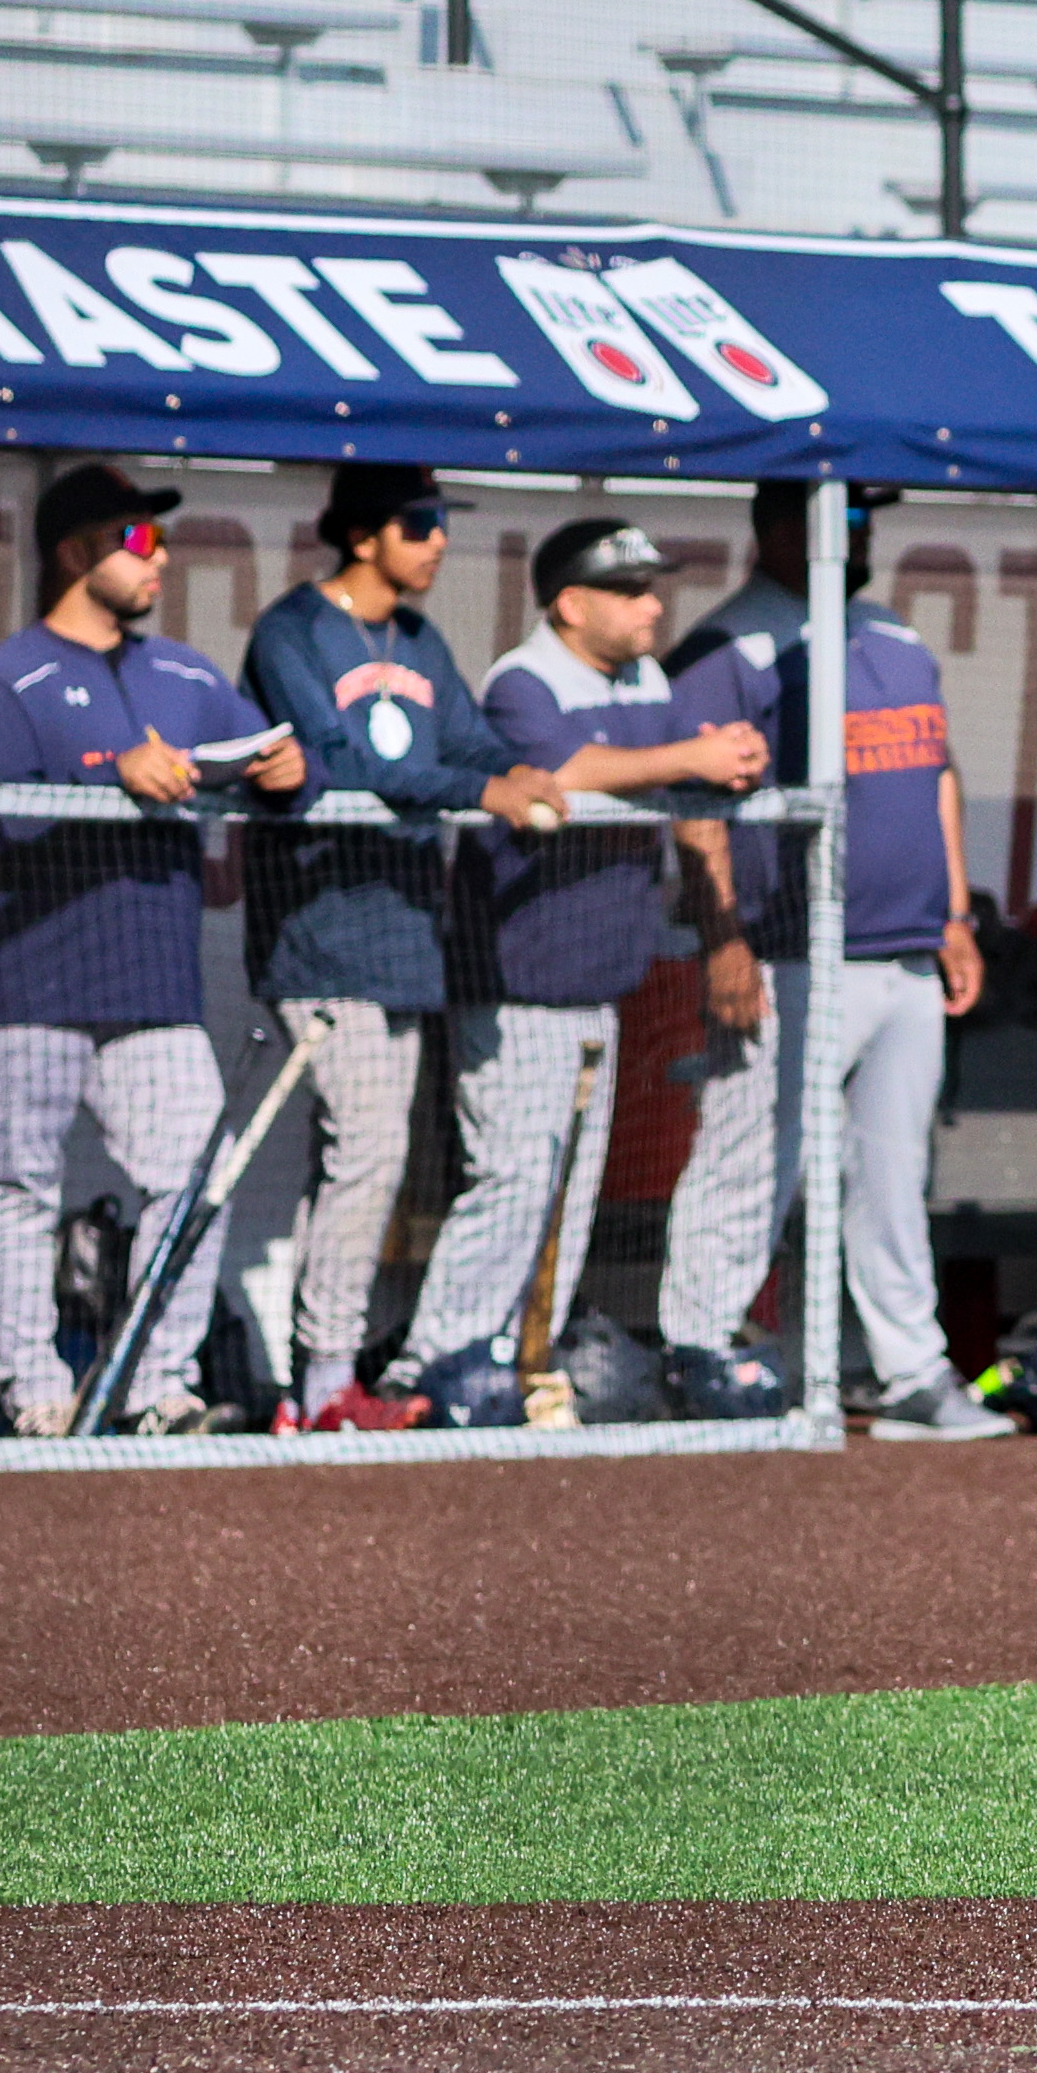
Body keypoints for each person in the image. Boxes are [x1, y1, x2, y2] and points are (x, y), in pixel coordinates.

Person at [0, 458, 307, 1443]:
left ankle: (159, 1382)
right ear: (75, 551)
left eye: (160, 538)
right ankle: (31, 1388)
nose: (161, 558)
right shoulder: (3, 680)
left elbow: (276, 763)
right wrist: (112, 773)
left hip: (150, 984)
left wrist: (286, 766)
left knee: (191, 1177)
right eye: (139, 539)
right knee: (17, 1189)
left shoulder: (184, 673)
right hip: (18, 979)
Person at [650, 480, 1007, 1438]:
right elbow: (695, 803)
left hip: (904, 950)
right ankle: (702, 1353)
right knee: (749, 1159)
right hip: (790, 952)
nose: (856, 532)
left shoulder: (892, 635)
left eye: (864, 517)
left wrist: (958, 915)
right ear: (775, 528)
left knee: (894, 1172)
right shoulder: (731, 646)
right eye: (835, 516)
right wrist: (721, 937)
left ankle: (908, 1372)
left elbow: (936, 769)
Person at [397, 516, 767, 1427]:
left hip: (599, 984)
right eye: (630, 590)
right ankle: (435, 1366)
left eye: (652, 587)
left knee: (565, 1191)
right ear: (570, 604)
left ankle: (522, 1366)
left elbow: (692, 768)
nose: (652, 605)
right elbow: (563, 769)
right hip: (517, 982)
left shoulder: (646, 677)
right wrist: (691, 757)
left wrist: (725, 761)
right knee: (513, 1180)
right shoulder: (524, 680)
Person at [240, 462, 559, 1432]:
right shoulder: (292, 632)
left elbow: (461, 742)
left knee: (367, 1159)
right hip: (323, 932)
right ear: (365, 534)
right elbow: (345, 760)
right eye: (421, 523)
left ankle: (321, 1380)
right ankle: (324, 1378)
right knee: (367, 1153)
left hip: (406, 935)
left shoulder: (417, 637)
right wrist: (484, 791)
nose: (438, 540)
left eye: (439, 522)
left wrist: (515, 768)